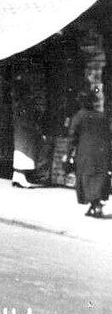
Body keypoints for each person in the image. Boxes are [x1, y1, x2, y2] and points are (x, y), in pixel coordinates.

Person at [67, 89, 111, 218]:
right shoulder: (102, 116)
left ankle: (95, 205)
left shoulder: (79, 116)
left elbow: (72, 137)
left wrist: (68, 153)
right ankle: (95, 204)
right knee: (99, 178)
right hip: (102, 153)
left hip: (85, 153)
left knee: (87, 179)